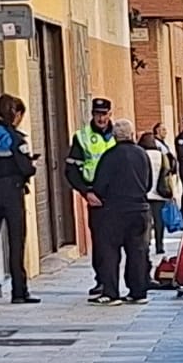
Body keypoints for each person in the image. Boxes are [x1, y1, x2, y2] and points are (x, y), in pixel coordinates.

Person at [0, 94, 40, 305]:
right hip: (11, 193)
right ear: (17, 114)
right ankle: (19, 292)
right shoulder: (16, 139)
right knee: (16, 242)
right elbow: (26, 168)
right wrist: (32, 165)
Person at [90, 120, 155, 305]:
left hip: (114, 211)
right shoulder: (142, 154)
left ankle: (111, 293)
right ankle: (138, 292)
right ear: (132, 134)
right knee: (137, 252)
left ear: (114, 136)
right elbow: (149, 182)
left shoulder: (109, 156)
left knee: (110, 252)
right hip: (140, 209)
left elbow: (100, 185)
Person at [66, 96, 120, 297]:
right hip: (96, 196)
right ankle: (102, 281)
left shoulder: (119, 135)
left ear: (110, 114)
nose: (101, 118)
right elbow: (71, 170)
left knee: (126, 242)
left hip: (119, 197)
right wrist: (85, 192)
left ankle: (129, 282)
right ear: (92, 115)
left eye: (104, 114)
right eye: (98, 114)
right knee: (100, 242)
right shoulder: (82, 137)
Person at [139, 130, 172, 258]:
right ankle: (160, 245)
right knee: (159, 221)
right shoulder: (161, 155)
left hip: (144, 194)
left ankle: (146, 244)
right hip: (159, 193)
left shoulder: (141, 155)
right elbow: (169, 171)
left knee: (146, 222)